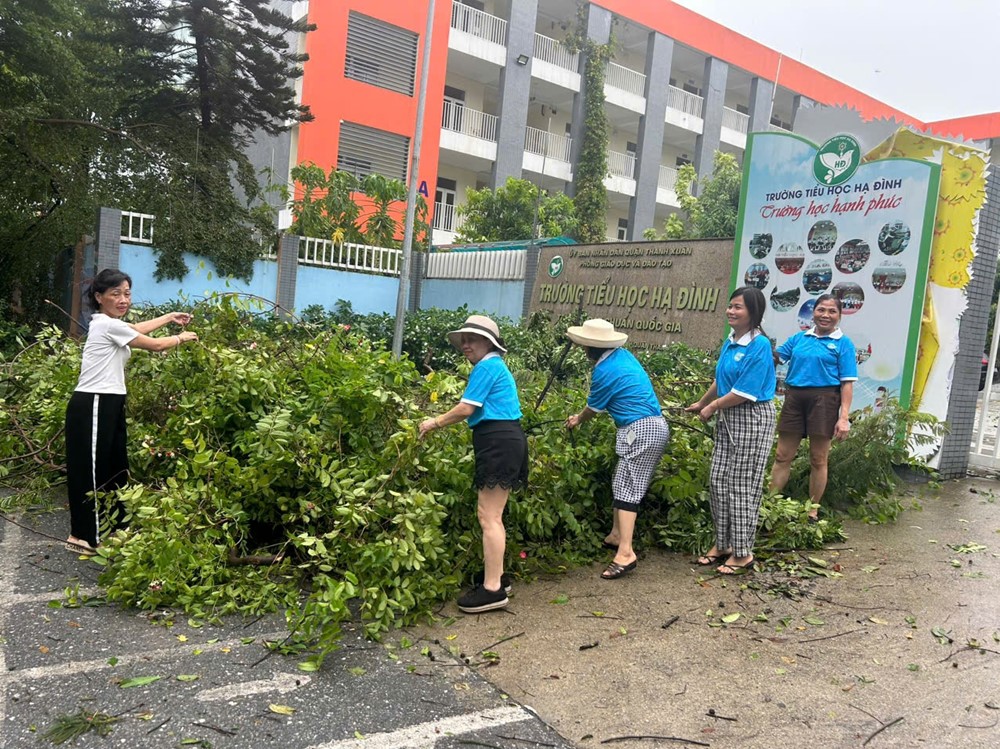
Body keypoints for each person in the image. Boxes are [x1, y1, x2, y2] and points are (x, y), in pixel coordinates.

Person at [65, 268, 199, 555]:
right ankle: (84, 536)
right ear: (99, 297)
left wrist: (168, 318)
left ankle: (116, 530)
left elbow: (135, 330)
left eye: (127, 293)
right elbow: (155, 345)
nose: (123, 299)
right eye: (115, 294)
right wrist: (181, 337)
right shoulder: (104, 324)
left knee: (115, 468)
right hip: (93, 402)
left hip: (110, 402)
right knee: (91, 472)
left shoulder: (113, 325)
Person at [419, 315, 528, 614]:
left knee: (488, 516)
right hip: (503, 439)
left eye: (472, 339)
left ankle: (492, 590)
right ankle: (499, 578)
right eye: (463, 340)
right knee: (493, 515)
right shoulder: (493, 365)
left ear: (489, 342)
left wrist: (433, 423)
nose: (465, 345)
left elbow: (467, 408)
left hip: (498, 441)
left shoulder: (488, 366)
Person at [565, 319, 668, 580]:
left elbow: (593, 408)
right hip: (652, 426)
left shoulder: (604, 371)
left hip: (640, 430)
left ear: (589, 347)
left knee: (627, 489)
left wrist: (577, 419)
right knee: (621, 481)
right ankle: (616, 534)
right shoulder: (623, 356)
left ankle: (625, 553)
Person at [686, 287, 776, 574]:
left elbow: (745, 392)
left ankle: (742, 552)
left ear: (753, 312)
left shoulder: (759, 345)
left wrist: (712, 408)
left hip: (751, 417)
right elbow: (721, 379)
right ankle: (723, 544)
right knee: (717, 479)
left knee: (741, 484)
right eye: (730, 306)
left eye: (738, 307)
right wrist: (702, 401)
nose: (731, 311)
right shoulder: (732, 340)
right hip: (728, 415)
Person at [769, 293, 857, 522]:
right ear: (813, 312)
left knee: (818, 459)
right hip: (795, 398)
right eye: (821, 310)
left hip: (825, 401)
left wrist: (843, 417)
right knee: (781, 455)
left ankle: (812, 510)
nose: (825, 315)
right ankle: (770, 505)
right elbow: (776, 357)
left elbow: (847, 383)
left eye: (832, 311)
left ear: (839, 316)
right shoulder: (800, 338)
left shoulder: (843, 343)